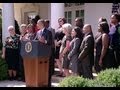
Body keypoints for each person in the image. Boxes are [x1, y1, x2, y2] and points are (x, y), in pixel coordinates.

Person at [35, 19, 52, 87]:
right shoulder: (38, 32)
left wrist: (44, 41)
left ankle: (48, 84)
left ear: (41, 24)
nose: (37, 25)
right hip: (39, 54)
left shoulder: (48, 32)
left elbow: (50, 42)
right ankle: (41, 82)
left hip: (46, 54)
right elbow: (35, 41)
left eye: (38, 24)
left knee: (47, 69)